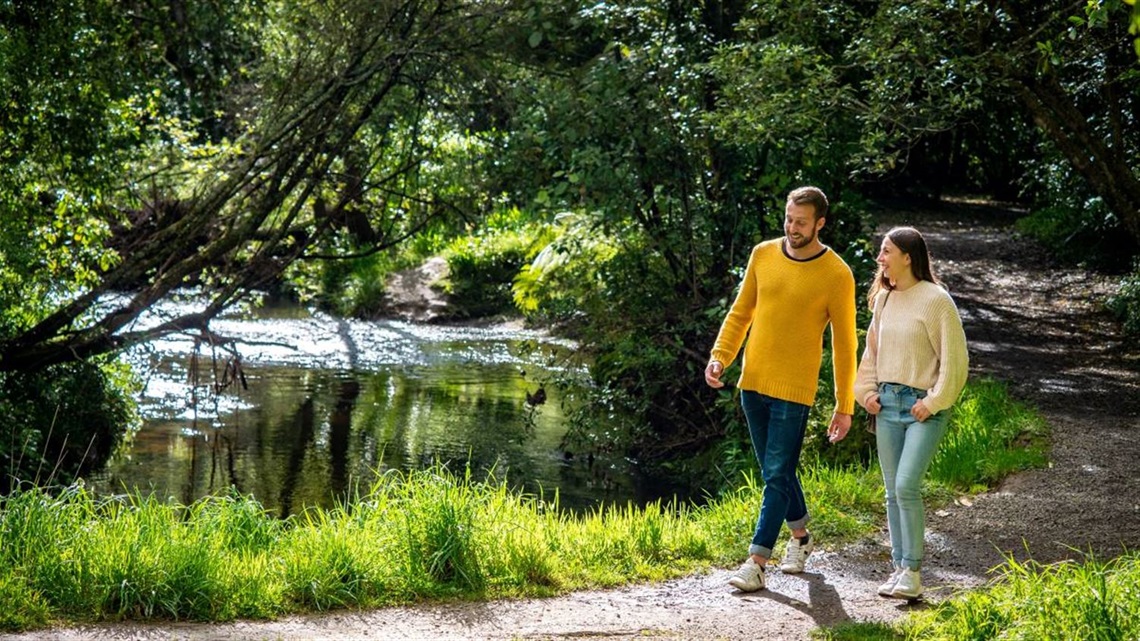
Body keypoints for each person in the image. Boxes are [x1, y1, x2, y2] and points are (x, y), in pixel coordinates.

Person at [705, 186, 858, 592]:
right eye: (789, 219)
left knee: (776, 473)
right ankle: (802, 538)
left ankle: (756, 562)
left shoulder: (837, 274)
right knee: (777, 471)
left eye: (802, 222)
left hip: (795, 389)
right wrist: (721, 355)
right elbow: (741, 313)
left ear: (820, 223)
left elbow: (845, 346)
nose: (792, 228)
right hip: (752, 382)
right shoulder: (763, 254)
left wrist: (845, 405)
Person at [854, 226, 968, 600]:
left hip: (923, 408)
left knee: (906, 485)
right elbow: (872, 352)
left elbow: (956, 362)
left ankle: (915, 573)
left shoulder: (937, 300)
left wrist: (933, 402)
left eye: (886, 252)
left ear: (907, 256)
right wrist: (866, 392)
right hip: (887, 404)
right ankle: (900, 568)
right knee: (891, 492)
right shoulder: (884, 301)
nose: (880, 259)